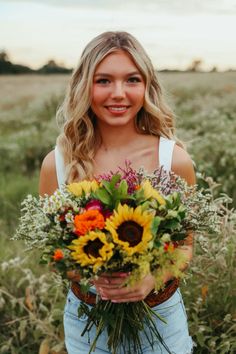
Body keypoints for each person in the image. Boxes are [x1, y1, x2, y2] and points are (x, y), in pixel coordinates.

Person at [39, 31, 195, 354]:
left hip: (161, 321)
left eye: (132, 80)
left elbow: (185, 247)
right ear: (84, 86)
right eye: (104, 81)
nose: (119, 94)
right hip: (87, 326)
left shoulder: (174, 159)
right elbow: (54, 252)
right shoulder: (57, 164)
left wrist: (150, 278)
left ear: (147, 86)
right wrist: (96, 272)